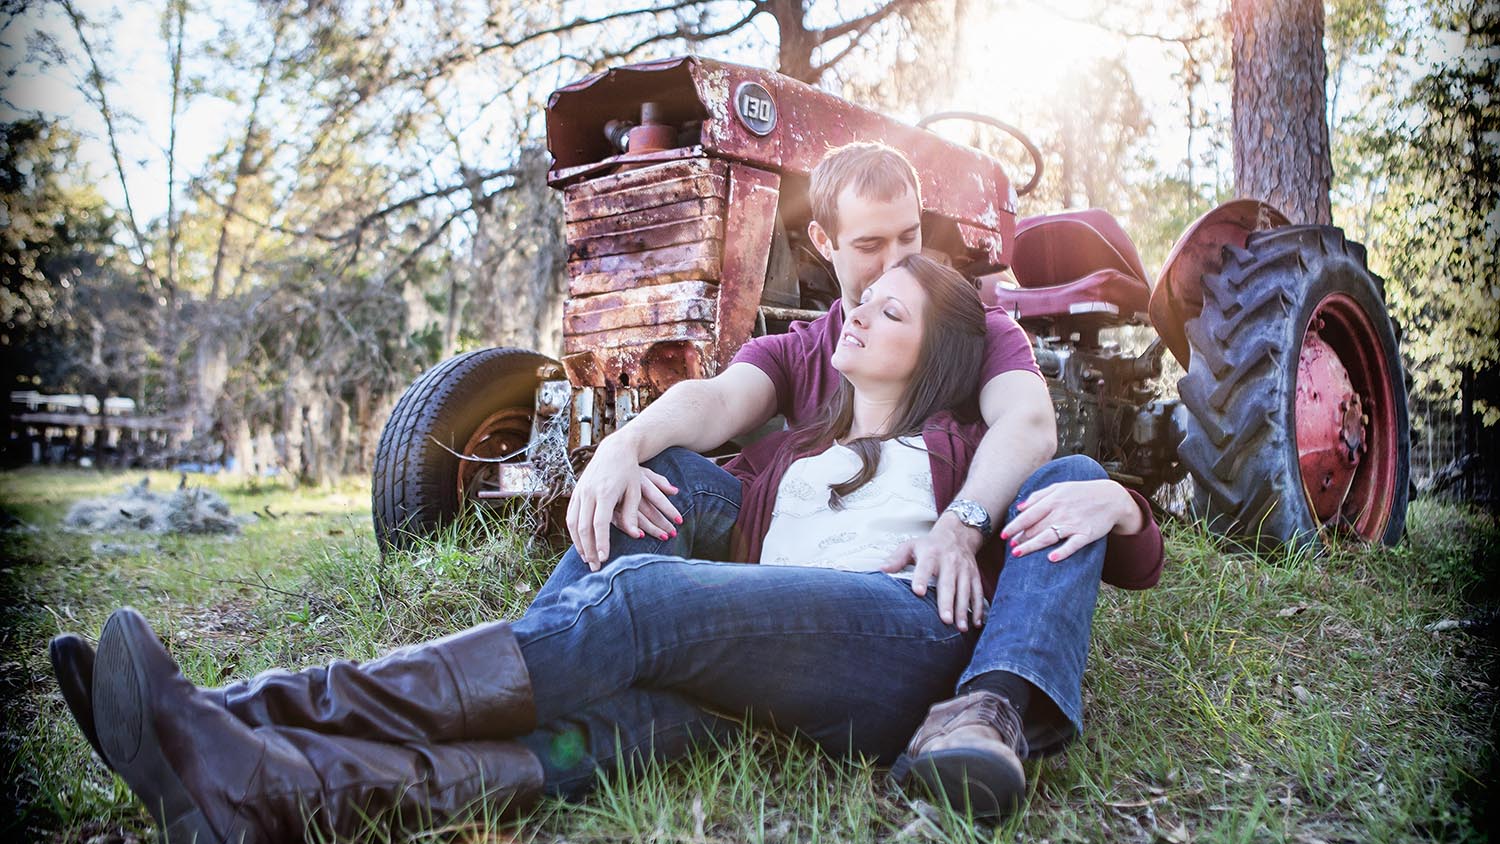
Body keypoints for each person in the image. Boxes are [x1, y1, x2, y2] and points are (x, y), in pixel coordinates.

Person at [53, 255, 1160, 842]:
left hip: (895, 651)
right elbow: (715, 405)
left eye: (889, 312)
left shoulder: (967, 447)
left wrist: (1116, 503)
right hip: (766, 670)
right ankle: (265, 793)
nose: (855, 317)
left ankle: (242, 712)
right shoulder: (787, 455)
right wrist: (620, 452)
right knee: (598, 735)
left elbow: (1085, 508)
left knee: (635, 598)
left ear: (943, 356)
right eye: (856, 299)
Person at [546, 141, 1164, 814]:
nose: (896, 259)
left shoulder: (973, 330)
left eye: (910, 235)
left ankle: (991, 708)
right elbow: (720, 402)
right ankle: (553, 652)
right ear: (823, 242)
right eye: (870, 242)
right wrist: (623, 445)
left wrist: (962, 525)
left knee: (1067, 478)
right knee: (665, 473)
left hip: (919, 595)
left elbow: (1027, 424)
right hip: (798, 562)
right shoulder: (803, 346)